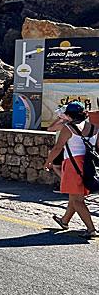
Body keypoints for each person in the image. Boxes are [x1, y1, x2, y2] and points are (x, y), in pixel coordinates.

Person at [44, 101, 97, 239]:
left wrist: (48, 161)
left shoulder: (68, 129)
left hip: (73, 165)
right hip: (89, 165)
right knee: (75, 196)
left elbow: (57, 148)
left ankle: (90, 228)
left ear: (69, 114)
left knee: (77, 199)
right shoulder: (94, 128)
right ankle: (64, 221)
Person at [46, 108, 67, 181]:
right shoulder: (72, 124)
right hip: (69, 148)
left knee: (56, 166)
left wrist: (57, 120)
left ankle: (66, 181)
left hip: (61, 147)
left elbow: (49, 128)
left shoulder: (61, 125)